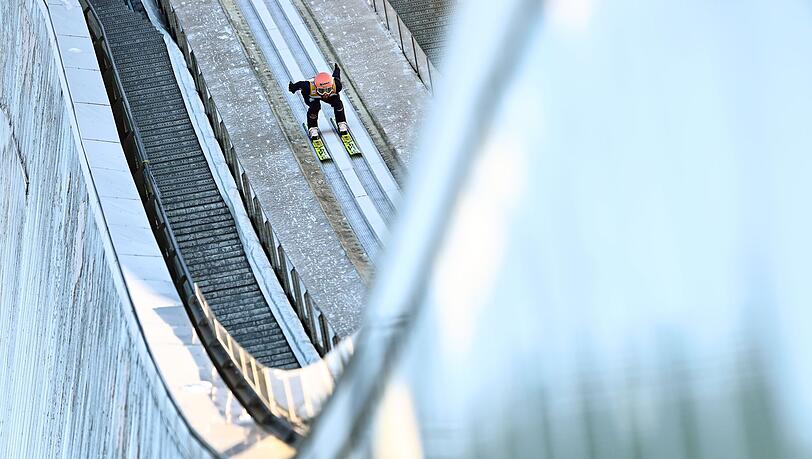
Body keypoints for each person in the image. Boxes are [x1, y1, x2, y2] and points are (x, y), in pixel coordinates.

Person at [289, 63, 348, 139]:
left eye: (328, 89)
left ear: (332, 85)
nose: (325, 94)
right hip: (312, 96)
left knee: (338, 103)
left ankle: (341, 121)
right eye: (321, 90)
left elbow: (336, 75)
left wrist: (337, 69)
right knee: (315, 107)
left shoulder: (337, 85)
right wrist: (292, 87)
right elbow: (299, 85)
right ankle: (312, 127)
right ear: (316, 87)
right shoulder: (308, 87)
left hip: (329, 95)